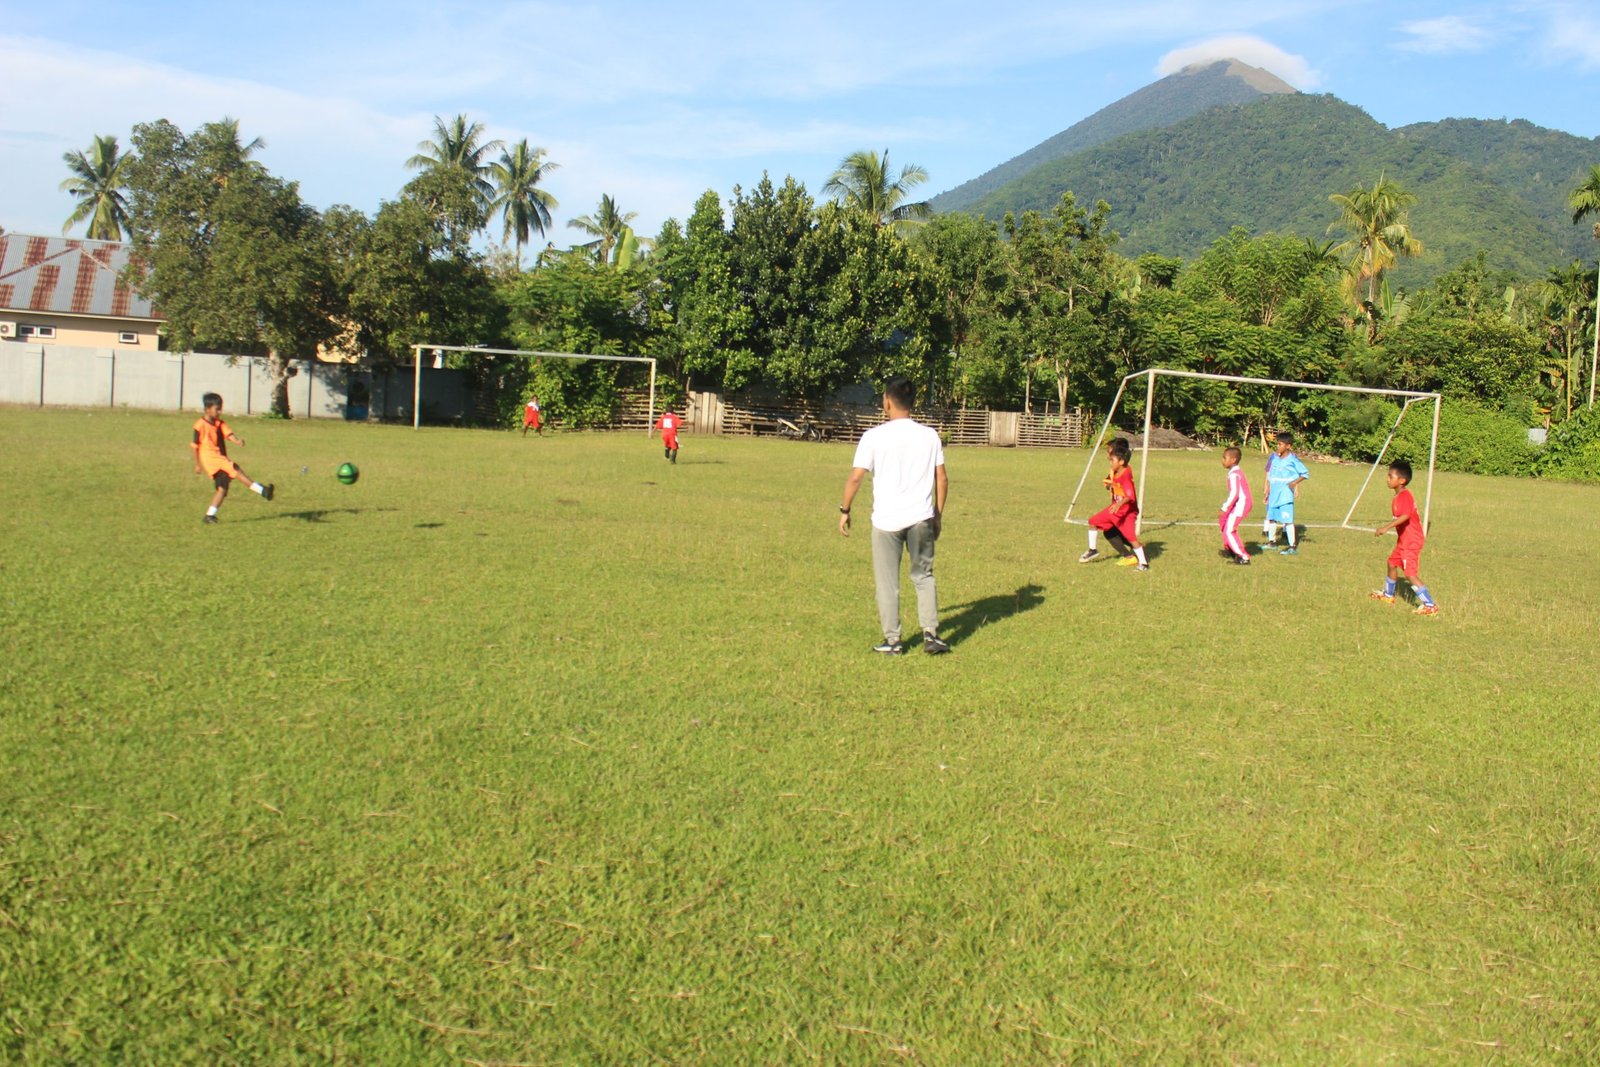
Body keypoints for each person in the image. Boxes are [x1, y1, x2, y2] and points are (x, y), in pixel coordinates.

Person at [838, 376, 950, 655]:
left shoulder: (873, 437)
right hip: (921, 518)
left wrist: (845, 510)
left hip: (886, 522)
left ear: (887, 401)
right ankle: (931, 635)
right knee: (923, 576)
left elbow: (856, 478)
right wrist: (937, 515)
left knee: (887, 584)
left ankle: (893, 641)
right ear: (912, 402)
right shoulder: (929, 435)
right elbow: (942, 478)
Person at [191, 392, 273, 524]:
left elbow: (228, 434)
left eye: (220, 409)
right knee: (236, 469)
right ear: (207, 409)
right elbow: (195, 446)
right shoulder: (199, 425)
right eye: (217, 409)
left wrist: (237, 441)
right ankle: (263, 491)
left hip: (218, 458)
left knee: (222, 489)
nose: (219, 412)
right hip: (211, 459)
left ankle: (209, 515)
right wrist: (197, 464)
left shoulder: (219, 423)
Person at [1370, 459, 1438, 615]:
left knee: (1410, 574)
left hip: (1411, 541)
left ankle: (1430, 605)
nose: (1387, 479)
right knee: (1392, 563)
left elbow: (1406, 516)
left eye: (1391, 476)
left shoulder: (1404, 496)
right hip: (1404, 540)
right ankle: (1388, 596)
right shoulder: (1399, 495)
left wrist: (1386, 527)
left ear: (1402, 480)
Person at [1078, 437, 1148, 570]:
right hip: (1117, 509)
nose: (1108, 456)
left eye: (1110, 452)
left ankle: (1141, 562)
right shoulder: (1117, 470)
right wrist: (1110, 485)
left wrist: (1118, 503)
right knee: (1100, 526)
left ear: (1120, 458)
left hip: (1123, 511)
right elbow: (1109, 482)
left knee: (1127, 535)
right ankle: (1136, 559)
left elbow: (1130, 496)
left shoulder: (1125, 474)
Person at [1262, 431, 1309, 554]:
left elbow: (1304, 474)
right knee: (1271, 518)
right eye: (1277, 444)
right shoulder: (1275, 459)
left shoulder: (1292, 460)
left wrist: (1295, 483)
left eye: (1281, 444)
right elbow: (1271, 477)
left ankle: (1292, 546)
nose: (1278, 446)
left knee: (1287, 521)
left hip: (1285, 495)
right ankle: (1272, 542)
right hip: (1273, 495)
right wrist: (1267, 491)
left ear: (1288, 446)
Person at [1218, 445, 1253, 564]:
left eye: (1224, 458)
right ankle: (1230, 549)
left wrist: (1225, 508)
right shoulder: (1234, 472)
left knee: (1229, 530)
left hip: (1242, 504)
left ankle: (1244, 557)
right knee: (1224, 523)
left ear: (1233, 460)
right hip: (1238, 504)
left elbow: (1234, 493)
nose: (1222, 460)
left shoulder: (1234, 474)